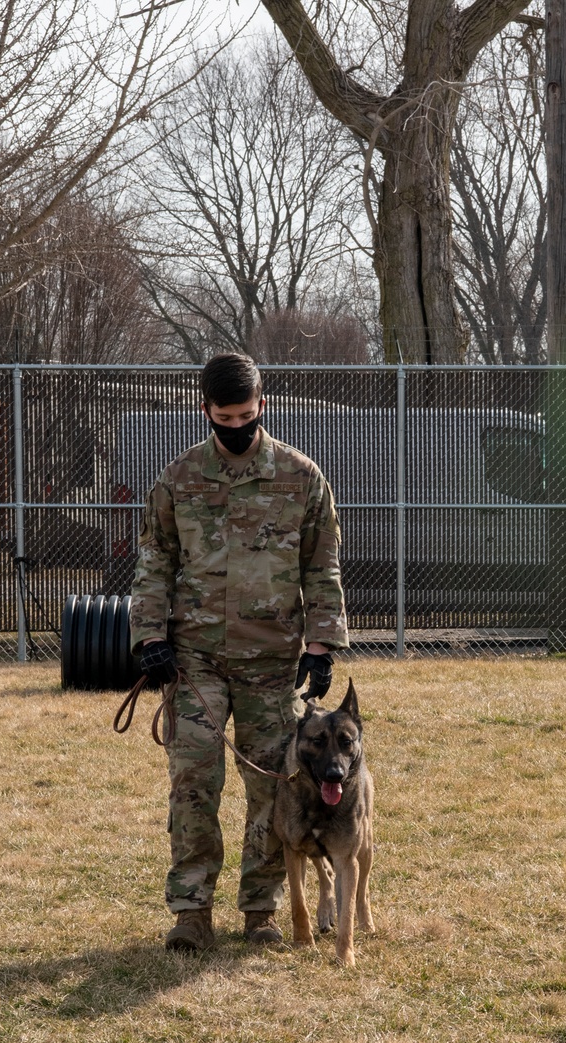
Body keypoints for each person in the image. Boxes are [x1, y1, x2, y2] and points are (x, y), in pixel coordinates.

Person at [129, 352, 349, 951]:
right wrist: (150, 639)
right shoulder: (178, 480)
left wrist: (322, 644)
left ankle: (262, 911)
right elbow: (154, 563)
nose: (236, 427)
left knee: (272, 789)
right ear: (206, 411)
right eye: (224, 418)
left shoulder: (302, 478)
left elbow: (321, 566)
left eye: (246, 416)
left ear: (263, 406)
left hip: (272, 662)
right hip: (194, 660)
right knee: (193, 784)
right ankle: (191, 913)